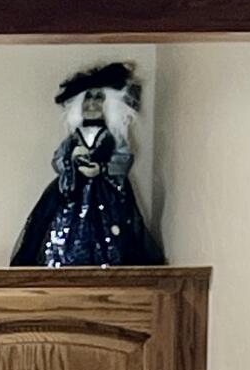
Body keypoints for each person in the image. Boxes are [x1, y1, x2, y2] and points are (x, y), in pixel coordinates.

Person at [13, 61, 166, 266]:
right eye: (87, 100)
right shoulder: (74, 138)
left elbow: (123, 158)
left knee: (115, 231)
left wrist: (101, 169)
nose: (92, 105)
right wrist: (72, 162)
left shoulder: (112, 138)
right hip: (72, 192)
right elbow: (58, 159)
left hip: (106, 193)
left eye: (98, 100)